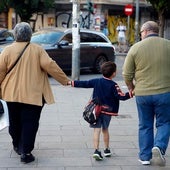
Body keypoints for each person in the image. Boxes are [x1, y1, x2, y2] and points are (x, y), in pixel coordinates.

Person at [0, 22, 70, 163]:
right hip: (33, 95)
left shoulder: (7, 50)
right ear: (30, 35)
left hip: (10, 94)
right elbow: (50, 65)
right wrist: (65, 80)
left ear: (15, 34)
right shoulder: (37, 50)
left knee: (14, 121)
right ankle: (26, 152)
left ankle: (16, 144)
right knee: (30, 123)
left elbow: (0, 71)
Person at [122, 21, 170, 166]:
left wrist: (131, 88)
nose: (140, 35)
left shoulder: (135, 48)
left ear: (146, 31)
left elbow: (127, 74)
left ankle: (144, 157)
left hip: (142, 94)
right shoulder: (168, 45)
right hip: (165, 92)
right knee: (164, 122)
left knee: (145, 124)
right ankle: (159, 147)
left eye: (141, 32)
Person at [68, 61, 133, 161]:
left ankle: (96, 151)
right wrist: (132, 93)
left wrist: (71, 83)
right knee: (105, 130)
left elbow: (85, 83)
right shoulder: (114, 85)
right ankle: (106, 150)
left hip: (96, 111)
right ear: (114, 73)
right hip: (108, 112)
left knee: (96, 130)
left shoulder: (96, 81)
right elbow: (121, 96)